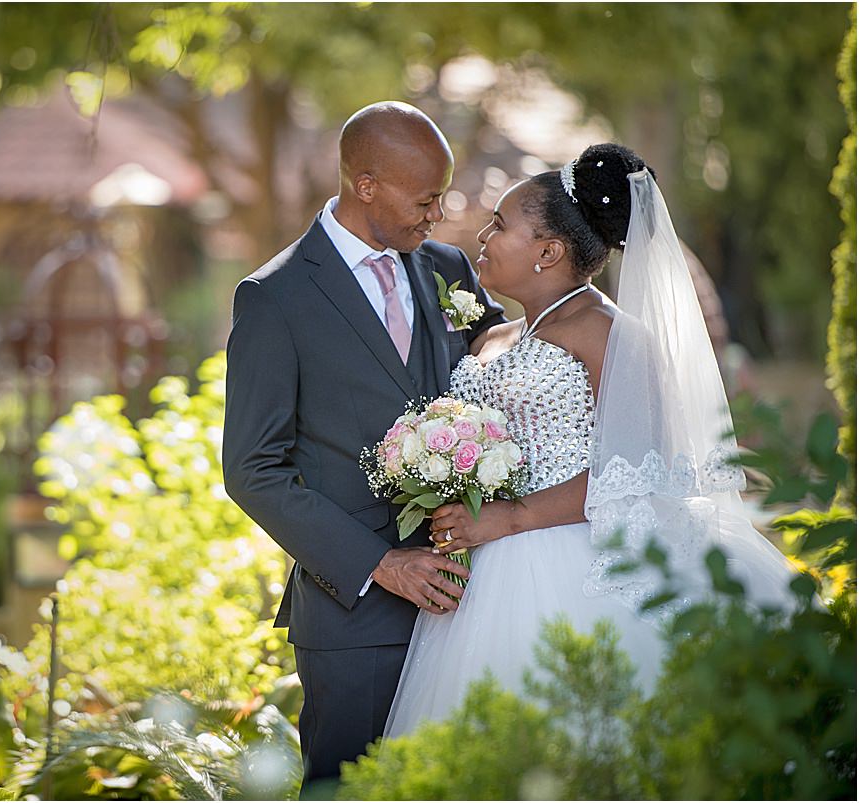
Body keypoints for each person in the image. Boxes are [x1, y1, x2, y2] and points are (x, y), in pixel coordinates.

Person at [383, 143, 799, 738]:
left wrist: (509, 518)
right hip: (481, 566)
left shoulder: (612, 336)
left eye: (500, 225)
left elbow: (634, 472)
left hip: (574, 555)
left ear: (548, 252)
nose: (482, 236)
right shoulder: (494, 335)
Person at [222, 101, 505, 793]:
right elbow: (252, 470)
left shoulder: (446, 268)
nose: (438, 213)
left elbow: (512, 363)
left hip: (475, 604)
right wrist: (380, 564)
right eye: (427, 197)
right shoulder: (275, 297)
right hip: (355, 625)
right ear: (366, 184)